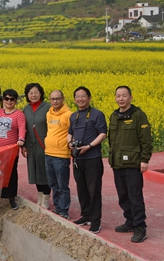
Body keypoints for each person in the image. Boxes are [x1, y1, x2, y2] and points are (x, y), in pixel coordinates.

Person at [108, 86, 152, 243]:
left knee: (135, 196)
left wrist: (144, 160)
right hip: (118, 163)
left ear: (130, 97)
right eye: (118, 96)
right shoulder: (114, 116)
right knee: (123, 196)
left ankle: (140, 227)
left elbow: (146, 140)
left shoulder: (138, 115)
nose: (121, 98)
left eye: (124, 96)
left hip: (133, 163)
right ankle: (130, 221)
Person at [67, 86, 107, 234]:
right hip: (78, 158)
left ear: (89, 98)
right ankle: (86, 216)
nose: (80, 99)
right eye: (77, 96)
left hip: (92, 158)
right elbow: (69, 133)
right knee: (81, 188)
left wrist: (89, 146)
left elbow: (103, 134)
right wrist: (70, 143)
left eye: (83, 96)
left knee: (94, 190)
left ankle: (96, 221)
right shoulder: (74, 116)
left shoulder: (97, 114)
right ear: (74, 99)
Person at [0, 89, 26, 210]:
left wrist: (21, 139)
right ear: (3, 100)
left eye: (12, 99)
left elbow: (22, 128)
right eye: (6, 99)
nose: (9, 101)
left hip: (11, 150)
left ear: (16, 101)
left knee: (11, 174)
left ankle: (11, 197)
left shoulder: (19, 114)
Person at [21, 83, 51, 209]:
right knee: (35, 171)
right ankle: (39, 197)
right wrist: (23, 145)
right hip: (30, 145)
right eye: (31, 93)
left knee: (44, 172)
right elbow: (23, 128)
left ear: (41, 93)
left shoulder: (48, 107)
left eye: (36, 92)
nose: (33, 95)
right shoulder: (26, 109)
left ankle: (46, 198)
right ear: (27, 95)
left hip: (44, 145)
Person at [44, 90, 73, 220]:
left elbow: (73, 133)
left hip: (61, 155)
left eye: (57, 98)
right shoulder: (48, 114)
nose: (55, 101)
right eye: (52, 99)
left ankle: (64, 210)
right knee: (53, 183)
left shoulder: (69, 115)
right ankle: (57, 207)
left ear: (63, 99)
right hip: (48, 153)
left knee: (62, 185)